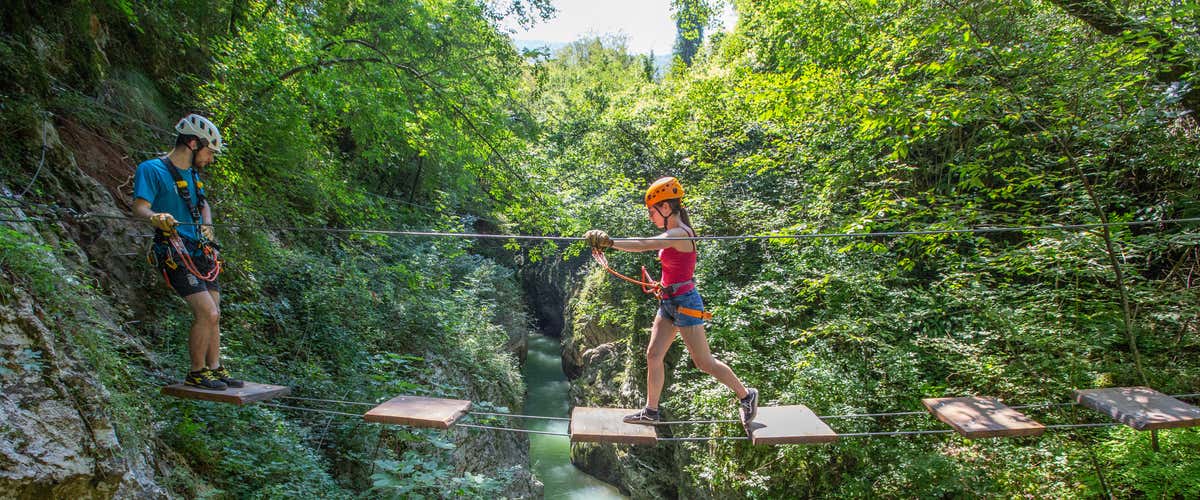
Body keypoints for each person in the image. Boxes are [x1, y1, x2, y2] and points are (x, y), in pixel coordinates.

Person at [585, 177, 757, 424]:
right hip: (669, 301)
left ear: (666, 208)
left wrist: (610, 242)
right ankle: (651, 411)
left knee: (704, 362)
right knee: (654, 355)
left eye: (652, 212)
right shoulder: (674, 232)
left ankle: (746, 395)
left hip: (685, 303)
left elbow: (644, 244)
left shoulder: (679, 234)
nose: (650, 217)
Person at [132, 114, 241, 391]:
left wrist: (207, 225)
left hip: (199, 250)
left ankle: (215, 369)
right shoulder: (152, 169)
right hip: (173, 251)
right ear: (193, 143)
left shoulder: (192, 175)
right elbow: (140, 207)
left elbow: (203, 204)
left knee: (215, 311)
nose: (211, 160)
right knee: (207, 312)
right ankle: (196, 372)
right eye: (209, 152)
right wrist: (156, 217)